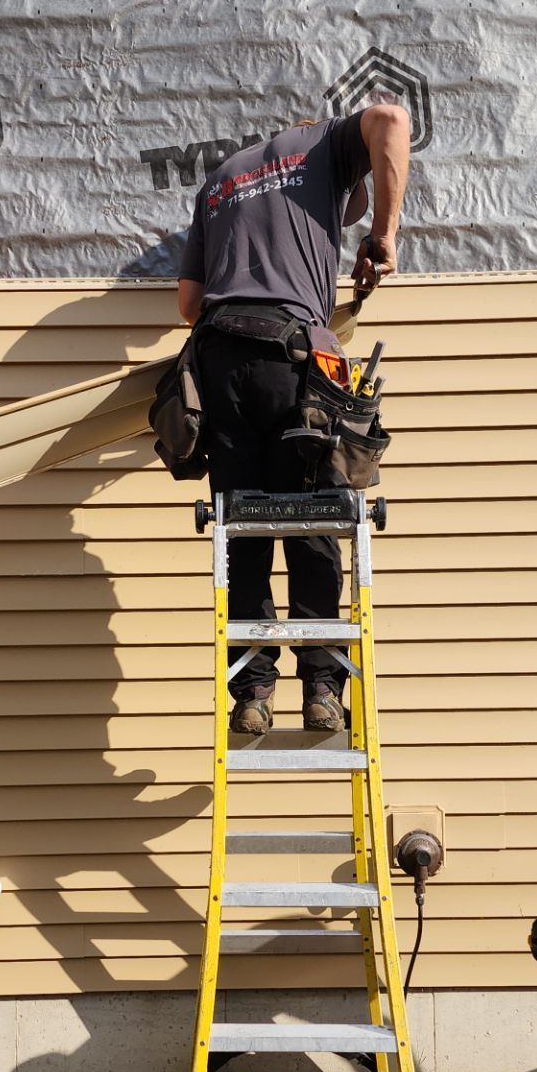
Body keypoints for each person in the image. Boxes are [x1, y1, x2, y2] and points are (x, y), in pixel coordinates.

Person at [175, 104, 411, 733]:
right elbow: (391, 119)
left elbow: (189, 303)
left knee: (244, 528)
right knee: (313, 522)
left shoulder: (219, 179)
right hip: (293, 359)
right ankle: (322, 690)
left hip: (220, 359)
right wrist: (383, 235)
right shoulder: (326, 145)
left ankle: (252, 694)